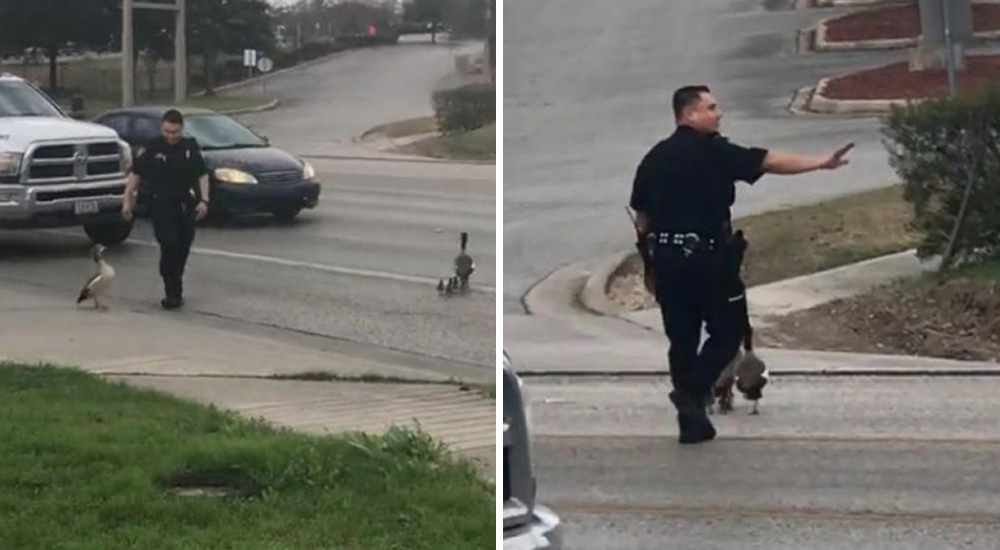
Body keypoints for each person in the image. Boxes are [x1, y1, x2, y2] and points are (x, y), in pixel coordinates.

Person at [629, 85, 853, 444]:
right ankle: (692, 391)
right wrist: (821, 163)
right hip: (709, 259)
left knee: (682, 340)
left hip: (669, 262)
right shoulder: (712, 150)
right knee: (729, 331)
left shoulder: (654, 158)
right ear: (688, 114)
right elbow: (767, 161)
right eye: (711, 108)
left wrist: (652, 262)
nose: (719, 114)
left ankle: (693, 422)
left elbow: (642, 218)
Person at [122, 109, 210, 310]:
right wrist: (127, 200)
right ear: (162, 128)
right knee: (168, 243)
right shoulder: (154, 147)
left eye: (175, 132)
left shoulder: (190, 148)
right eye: (167, 132)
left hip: (185, 204)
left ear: (182, 129)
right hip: (161, 205)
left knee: (183, 247)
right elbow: (136, 175)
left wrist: (204, 200)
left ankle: (175, 282)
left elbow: (202, 175)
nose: (171, 136)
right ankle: (173, 293)